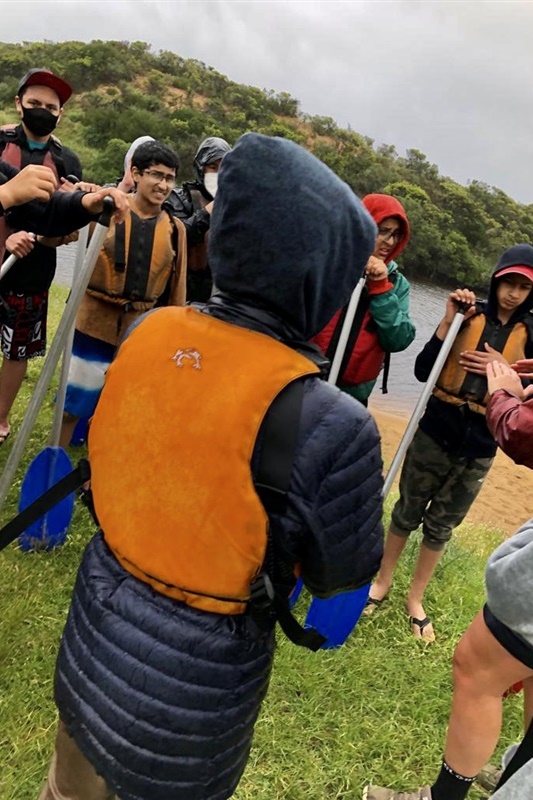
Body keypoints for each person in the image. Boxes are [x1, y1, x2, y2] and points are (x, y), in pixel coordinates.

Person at [39, 132, 384, 800]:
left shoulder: (149, 335)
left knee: (65, 789)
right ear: (325, 276)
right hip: (193, 703)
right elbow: (340, 572)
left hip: (93, 634)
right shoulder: (332, 421)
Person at [364, 358, 533, 800]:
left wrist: (502, 399)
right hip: (440, 431)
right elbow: (424, 365)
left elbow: (524, 433)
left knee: (478, 668)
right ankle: (518, 770)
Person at [364, 245, 533, 642]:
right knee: (407, 510)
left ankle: (415, 599)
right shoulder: (467, 313)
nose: (513, 293)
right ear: (496, 279)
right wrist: (446, 323)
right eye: (508, 282)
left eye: (523, 286)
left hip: (481, 442)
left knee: (441, 525)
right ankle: (383, 581)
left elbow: (526, 394)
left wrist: (507, 374)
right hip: (436, 428)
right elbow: (424, 370)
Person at [58, 139, 188, 448]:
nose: (163, 185)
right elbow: (58, 237)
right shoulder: (105, 208)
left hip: (138, 331)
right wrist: (73, 203)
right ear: (136, 173)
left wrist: (174, 334)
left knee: (116, 407)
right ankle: (56, 460)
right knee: (72, 403)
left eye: (170, 178)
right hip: (93, 323)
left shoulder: (175, 228)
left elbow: (177, 290)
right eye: (156, 175)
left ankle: (97, 472)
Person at [0, 67, 83, 444]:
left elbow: (60, 229)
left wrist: (57, 235)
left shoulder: (68, 163)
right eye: (34, 102)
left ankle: (0, 420)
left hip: (31, 273)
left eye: (51, 106)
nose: (42, 110)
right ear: (19, 105)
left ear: (60, 113)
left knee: (17, 349)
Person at [313, 193, 415, 405]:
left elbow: (399, 340)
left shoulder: (398, 284)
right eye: (383, 231)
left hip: (351, 396)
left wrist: (381, 287)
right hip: (302, 374)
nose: (389, 241)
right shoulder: (330, 260)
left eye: (396, 234)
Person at [166, 135, 231, 302]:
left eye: (224, 167)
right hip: (181, 294)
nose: (218, 173)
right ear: (201, 168)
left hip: (218, 299)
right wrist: (209, 211)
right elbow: (176, 235)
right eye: (212, 167)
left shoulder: (235, 204)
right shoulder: (180, 198)